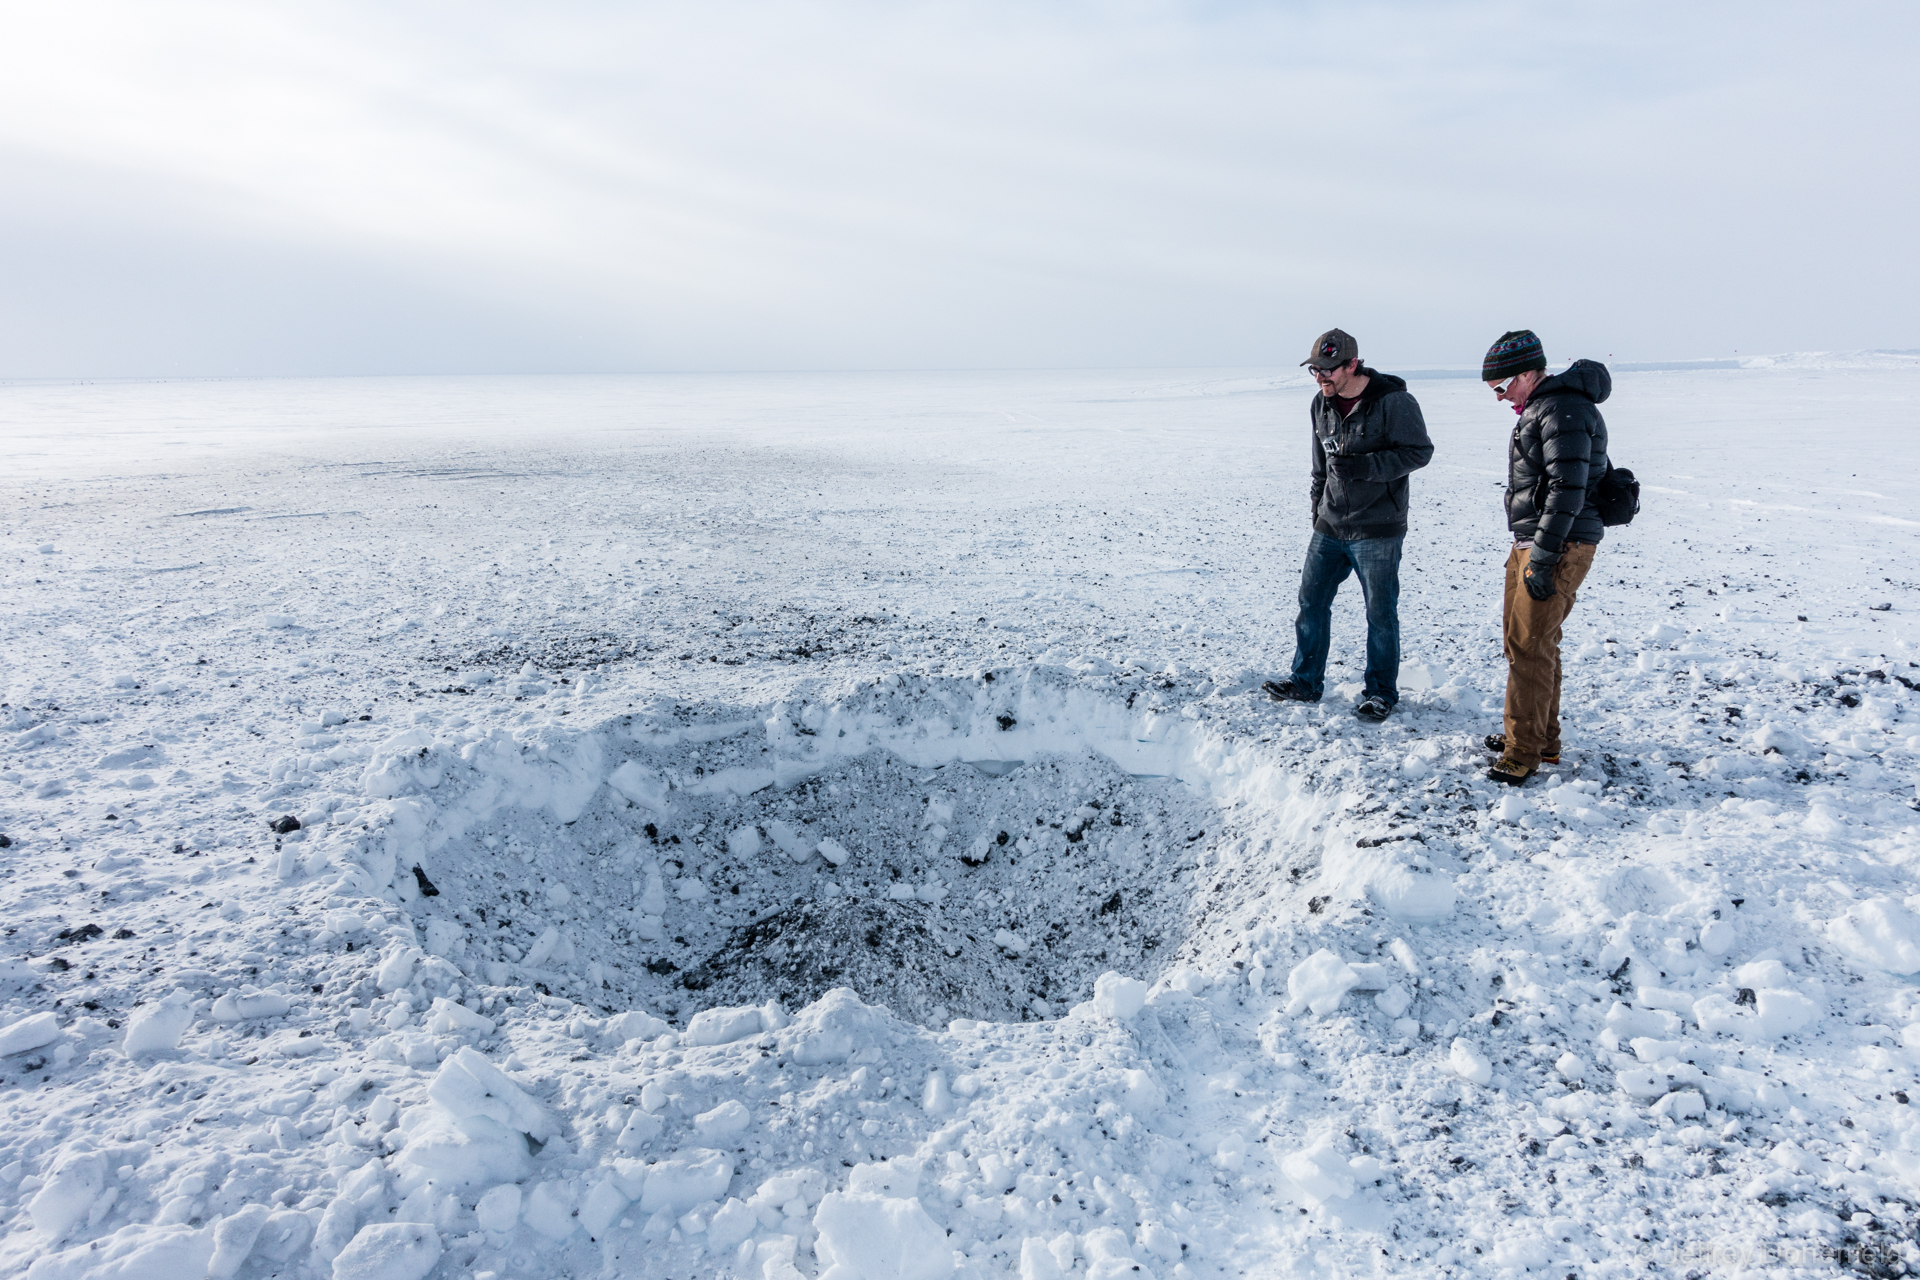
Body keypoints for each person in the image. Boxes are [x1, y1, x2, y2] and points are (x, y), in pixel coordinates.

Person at [1263, 328, 1433, 722]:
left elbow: (1419, 452)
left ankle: (1380, 694)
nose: (1321, 378)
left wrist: (1366, 468)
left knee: (1380, 613)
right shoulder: (1319, 405)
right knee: (1311, 603)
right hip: (1330, 526)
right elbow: (1319, 466)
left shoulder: (1395, 402)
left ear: (1352, 364)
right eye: (1315, 371)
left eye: (1327, 370)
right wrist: (1317, 511)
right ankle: (1305, 682)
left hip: (1378, 528)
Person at [1481, 329, 1611, 785]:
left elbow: (1566, 490)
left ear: (1528, 373)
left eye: (1502, 386)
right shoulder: (1544, 409)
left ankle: (1525, 750)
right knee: (1528, 643)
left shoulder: (1564, 411)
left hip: (1556, 545)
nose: (1499, 397)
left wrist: (1543, 553)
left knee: (1530, 646)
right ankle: (1540, 736)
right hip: (1534, 543)